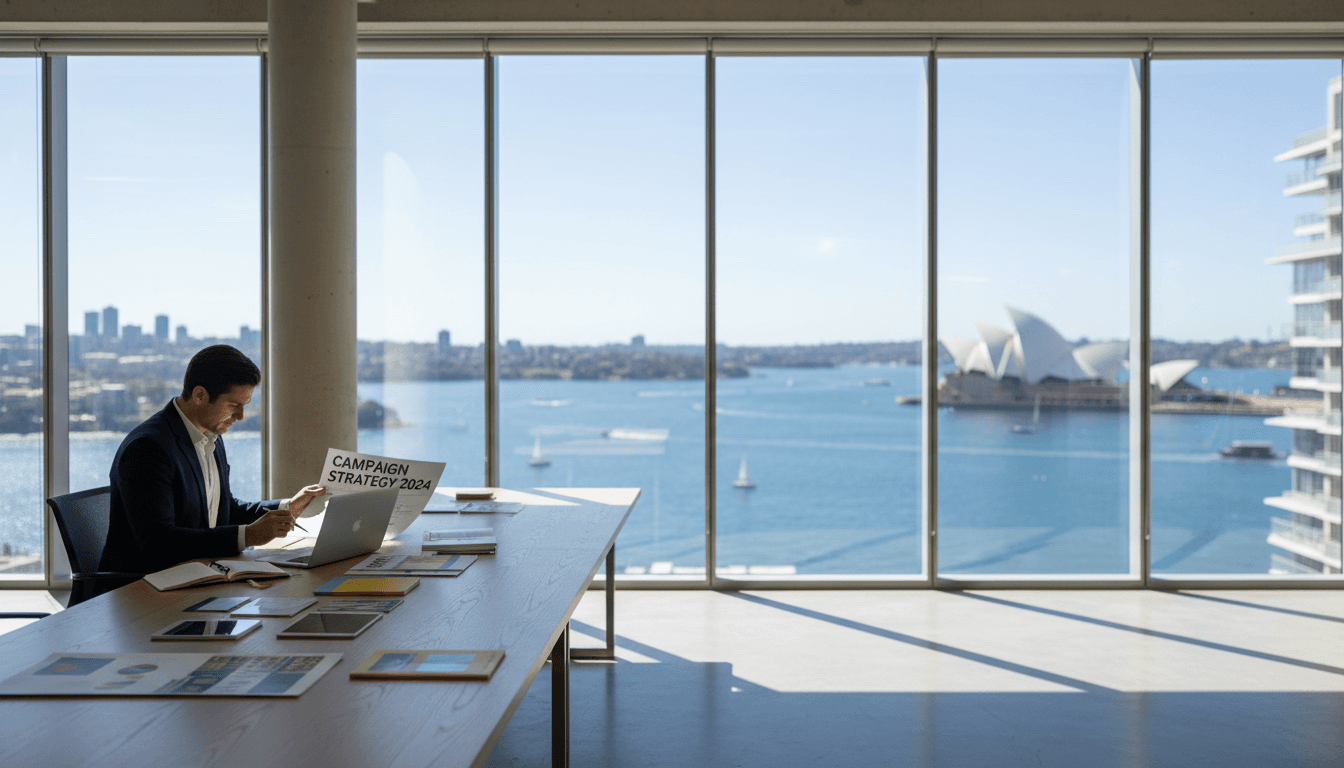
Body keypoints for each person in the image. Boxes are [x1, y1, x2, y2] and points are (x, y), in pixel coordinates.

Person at [99, 344, 325, 582]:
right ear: (199, 395)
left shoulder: (211, 435)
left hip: (197, 575)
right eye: (233, 406)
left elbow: (221, 509)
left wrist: (286, 508)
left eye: (244, 407)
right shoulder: (148, 449)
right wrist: (248, 536)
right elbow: (159, 543)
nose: (240, 417)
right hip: (143, 590)